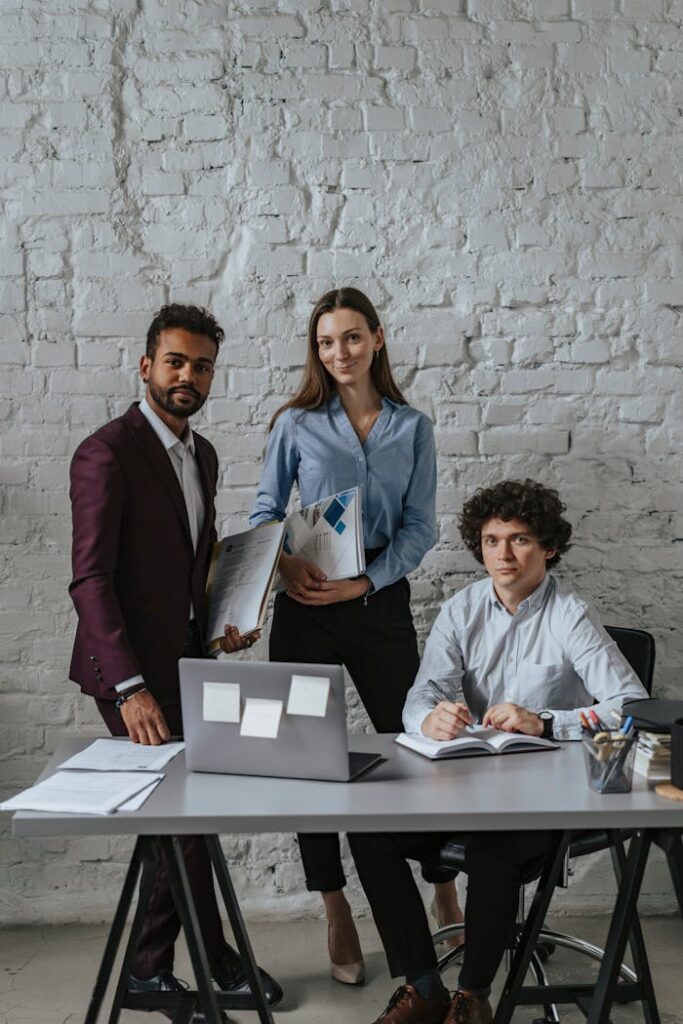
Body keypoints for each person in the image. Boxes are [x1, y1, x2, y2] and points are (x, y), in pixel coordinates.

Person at [348, 478, 649, 1024]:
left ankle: (473, 996)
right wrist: (428, 717)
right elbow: (422, 694)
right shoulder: (462, 610)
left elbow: (632, 705)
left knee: (492, 848)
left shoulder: (570, 615)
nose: (504, 554)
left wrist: (546, 720)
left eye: (520, 539)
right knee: (370, 831)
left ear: (548, 547)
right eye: (491, 540)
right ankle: (423, 987)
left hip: (553, 797)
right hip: (475, 783)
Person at [69, 303, 282, 1015]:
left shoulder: (204, 454)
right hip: (129, 672)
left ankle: (158, 967)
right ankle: (205, 960)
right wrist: (129, 688)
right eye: (176, 361)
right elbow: (91, 579)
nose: (188, 376)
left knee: (185, 817)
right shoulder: (108, 452)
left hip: (190, 660)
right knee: (182, 818)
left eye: (202, 365)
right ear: (146, 365)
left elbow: (191, 564)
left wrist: (223, 623)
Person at [250, 287, 461, 984]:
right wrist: (285, 564)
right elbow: (263, 512)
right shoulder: (295, 424)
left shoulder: (413, 428)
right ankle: (335, 905)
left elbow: (420, 528)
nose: (337, 353)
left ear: (376, 337)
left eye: (349, 338)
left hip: (378, 603)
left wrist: (364, 583)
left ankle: (440, 883)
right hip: (305, 609)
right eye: (324, 342)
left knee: (416, 745)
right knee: (309, 762)